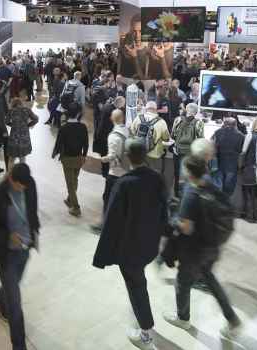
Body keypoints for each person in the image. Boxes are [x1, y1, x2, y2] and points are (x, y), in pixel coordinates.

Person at [93, 139, 168, 350]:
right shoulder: (157, 179)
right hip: (150, 245)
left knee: (136, 286)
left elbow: (112, 222)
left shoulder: (124, 183)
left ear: (127, 156)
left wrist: (102, 256)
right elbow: (164, 211)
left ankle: (145, 331)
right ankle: (139, 316)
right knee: (138, 281)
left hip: (130, 249)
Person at [163, 155, 242, 339]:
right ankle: (232, 319)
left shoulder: (191, 193)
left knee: (182, 283)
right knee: (211, 282)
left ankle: (183, 318)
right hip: (212, 247)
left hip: (194, 251)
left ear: (189, 172)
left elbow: (187, 228)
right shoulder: (210, 185)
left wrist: (174, 219)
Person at [0, 163, 40, 350]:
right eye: (19, 185)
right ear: (10, 179)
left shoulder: (30, 184)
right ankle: (19, 346)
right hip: (5, 254)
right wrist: (7, 236)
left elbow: (31, 210)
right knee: (15, 303)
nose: (23, 188)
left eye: (25, 185)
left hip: (24, 248)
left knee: (12, 285)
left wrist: (34, 230)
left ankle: (0, 296)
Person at [91, 109, 129, 235]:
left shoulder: (114, 135)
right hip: (127, 170)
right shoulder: (128, 131)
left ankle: (104, 225)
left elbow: (112, 155)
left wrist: (101, 159)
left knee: (108, 199)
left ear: (112, 119)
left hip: (115, 172)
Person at [52, 102, 89, 217]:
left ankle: (76, 207)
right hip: (79, 157)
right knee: (75, 179)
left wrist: (55, 153)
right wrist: (84, 155)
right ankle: (69, 200)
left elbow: (59, 143)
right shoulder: (83, 127)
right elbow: (86, 143)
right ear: (78, 113)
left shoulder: (64, 128)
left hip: (67, 158)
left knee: (70, 184)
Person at [171, 103, 204, 197]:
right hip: (190, 153)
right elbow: (200, 139)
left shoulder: (178, 119)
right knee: (188, 174)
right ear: (196, 112)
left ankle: (176, 194)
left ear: (186, 110)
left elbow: (172, 135)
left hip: (177, 151)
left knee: (177, 174)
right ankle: (186, 195)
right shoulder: (199, 123)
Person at [130, 101, 170, 174]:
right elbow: (166, 138)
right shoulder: (161, 122)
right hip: (155, 154)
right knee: (154, 175)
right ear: (155, 109)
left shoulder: (138, 117)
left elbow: (132, 131)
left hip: (140, 152)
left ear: (146, 108)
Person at [94, 96, 126, 177]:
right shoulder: (113, 111)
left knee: (104, 154)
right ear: (119, 104)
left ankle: (104, 171)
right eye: (123, 105)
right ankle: (105, 173)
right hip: (106, 136)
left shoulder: (106, 106)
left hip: (101, 133)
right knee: (107, 154)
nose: (123, 107)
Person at [213, 117, 245, 197]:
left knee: (218, 186)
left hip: (219, 163)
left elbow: (213, 146)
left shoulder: (217, 132)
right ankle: (226, 202)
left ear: (224, 124)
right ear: (235, 125)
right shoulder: (241, 136)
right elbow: (242, 151)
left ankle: (218, 203)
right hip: (232, 165)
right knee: (229, 188)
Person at [5, 98, 39, 170]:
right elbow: (36, 119)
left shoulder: (11, 111)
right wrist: (28, 125)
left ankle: (9, 174)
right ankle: (21, 174)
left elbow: (6, 121)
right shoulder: (27, 110)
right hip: (24, 137)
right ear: (21, 103)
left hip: (14, 137)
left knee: (11, 158)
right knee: (22, 157)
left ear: (13, 104)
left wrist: (13, 125)